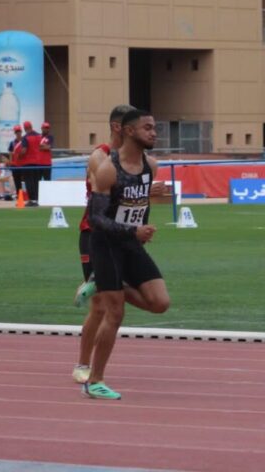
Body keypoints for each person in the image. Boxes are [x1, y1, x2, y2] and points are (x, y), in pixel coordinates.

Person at [71, 105, 167, 386]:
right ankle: (83, 366)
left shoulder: (148, 163)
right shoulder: (101, 158)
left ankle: (102, 283)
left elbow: (134, 197)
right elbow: (104, 204)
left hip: (128, 237)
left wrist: (140, 226)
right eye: (146, 127)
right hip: (95, 234)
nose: (153, 132)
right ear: (121, 128)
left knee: (148, 301)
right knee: (101, 307)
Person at [21, 121, 42, 206]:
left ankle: (31, 200)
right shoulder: (39, 136)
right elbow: (41, 147)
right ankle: (37, 199)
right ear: (31, 126)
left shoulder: (25, 137)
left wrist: (19, 156)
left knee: (29, 181)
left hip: (28, 162)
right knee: (36, 181)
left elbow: (24, 150)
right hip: (38, 162)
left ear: (25, 128)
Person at [7, 125, 25, 196]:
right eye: (17, 131)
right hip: (15, 165)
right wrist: (10, 162)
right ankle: (19, 195)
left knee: (26, 180)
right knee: (17, 181)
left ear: (21, 132)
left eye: (19, 131)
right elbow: (10, 153)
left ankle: (28, 195)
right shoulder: (12, 142)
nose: (18, 133)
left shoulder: (24, 141)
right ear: (15, 133)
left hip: (23, 164)